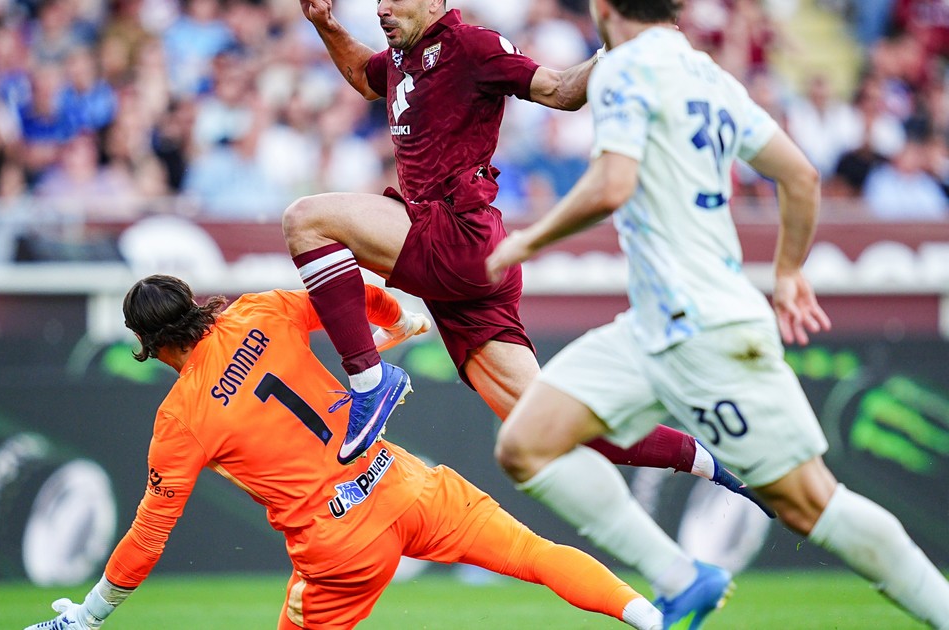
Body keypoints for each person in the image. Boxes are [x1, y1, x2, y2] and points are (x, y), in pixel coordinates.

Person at [287, 0, 758, 623]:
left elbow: (561, 91)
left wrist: (620, 48)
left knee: (307, 219)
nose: (382, 8)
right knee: (553, 426)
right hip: (463, 273)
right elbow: (362, 77)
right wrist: (325, 25)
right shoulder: (401, 55)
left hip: (456, 236)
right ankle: (719, 478)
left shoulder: (471, 46)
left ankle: (369, 382)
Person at [485, 0, 949, 628]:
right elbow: (800, 176)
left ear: (604, 7)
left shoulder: (623, 65)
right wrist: (787, 271)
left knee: (810, 503)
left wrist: (528, 241)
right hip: (652, 328)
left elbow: (613, 183)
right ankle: (683, 578)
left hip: (705, 328)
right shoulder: (708, 75)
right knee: (526, 445)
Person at [23, 274, 665, 630]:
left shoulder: (180, 418)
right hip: (402, 484)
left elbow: (149, 536)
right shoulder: (261, 310)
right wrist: (398, 319)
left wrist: (89, 616)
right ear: (194, 303)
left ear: (146, 345)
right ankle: (652, 619)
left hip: (338, 546)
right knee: (536, 555)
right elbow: (345, 294)